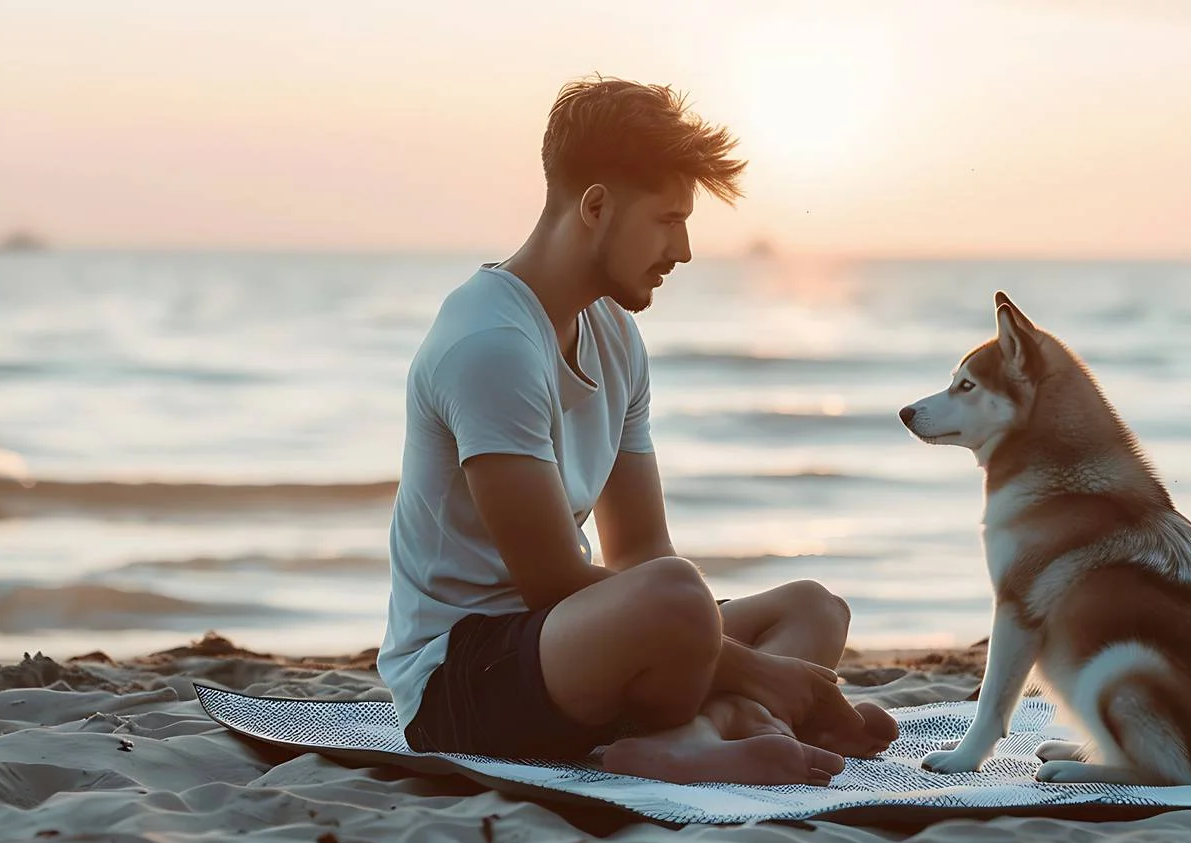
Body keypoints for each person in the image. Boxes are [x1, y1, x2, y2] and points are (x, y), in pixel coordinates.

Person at [377, 75, 899, 785]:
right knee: (679, 600)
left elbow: (642, 549)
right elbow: (552, 580)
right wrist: (762, 673)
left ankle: (695, 734)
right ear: (596, 206)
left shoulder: (615, 335)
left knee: (813, 607)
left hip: (572, 643)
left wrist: (716, 652)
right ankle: (727, 720)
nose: (682, 250)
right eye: (668, 219)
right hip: (464, 676)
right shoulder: (490, 342)